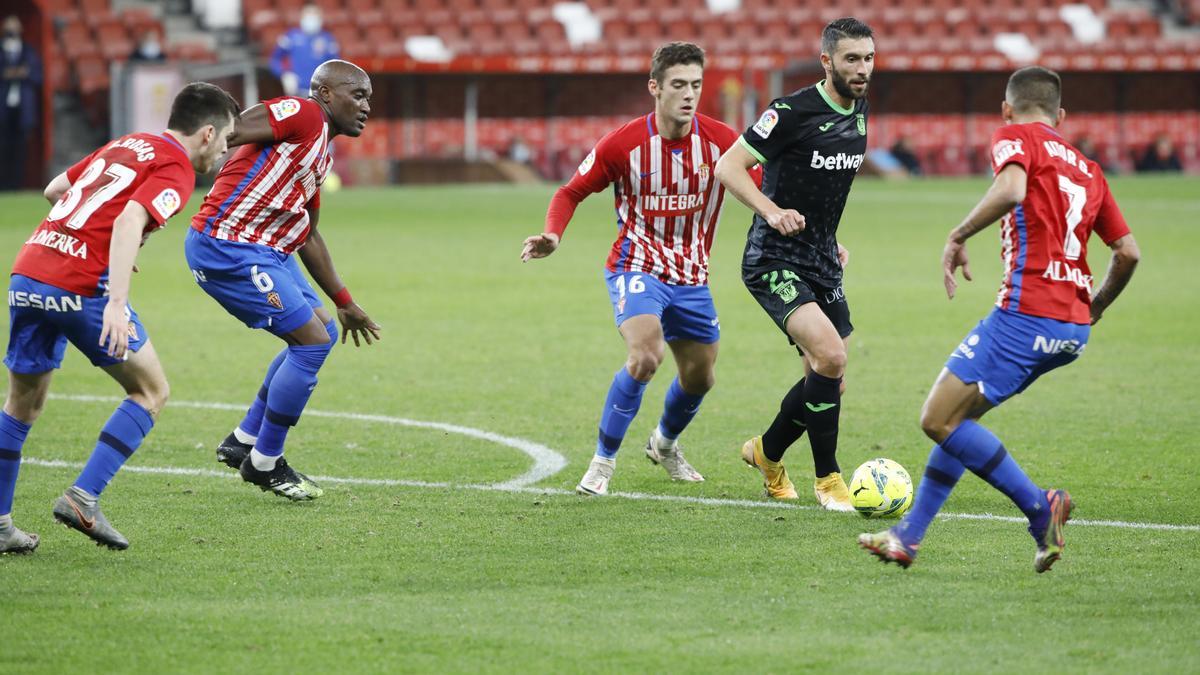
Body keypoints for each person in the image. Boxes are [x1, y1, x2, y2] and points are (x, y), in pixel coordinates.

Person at [859, 66, 1140, 572]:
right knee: (957, 422)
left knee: (936, 419)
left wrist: (958, 234)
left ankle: (1041, 508)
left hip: (1027, 313)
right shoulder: (1088, 168)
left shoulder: (1015, 137)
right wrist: (1094, 306)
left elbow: (1011, 190)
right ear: (1062, 116)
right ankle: (909, 537)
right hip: (1070, 327)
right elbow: (1128, 253)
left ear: (1007, 109)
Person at [0, 82, 238, 552]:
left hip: (28, 272)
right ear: (207, 133)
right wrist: (114, 300)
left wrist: (92, 240)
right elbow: (130, 219)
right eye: (228, 140)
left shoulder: (128, 142)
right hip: (82, 286)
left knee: (21, 405)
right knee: (151, 390)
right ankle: (82, 498)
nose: (226, 151)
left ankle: (0, 524)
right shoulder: (176, 167)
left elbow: (55, 190)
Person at [520, 42, 753, 495]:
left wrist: (813, 234)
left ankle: (664, 443)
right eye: (679, 85)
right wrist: (553, 234)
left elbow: (766, 192)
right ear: (655, 87)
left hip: (692, 276)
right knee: (646, 355)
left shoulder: (724, 144)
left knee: (701, 377)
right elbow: (570, 192)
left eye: (696, 85)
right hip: (636, 265)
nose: (689, 95)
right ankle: (602, 462)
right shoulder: (625, 143)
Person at [188, 60, 380, 501]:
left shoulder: (319, 153)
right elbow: (227, 131)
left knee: (322, 332)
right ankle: (265, 462)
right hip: (227, 244)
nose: (367, 106)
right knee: (310, 342)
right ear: (327, 94)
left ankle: (244, 439)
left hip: (266, 249)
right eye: (359, 95)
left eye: (369, 97)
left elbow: (307, 233)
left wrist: (345, 300)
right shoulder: (304, 113)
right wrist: (160, 188)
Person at [714, 18, 873, 510]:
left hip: (821, 257)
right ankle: (829, 480)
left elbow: (821, 186)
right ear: (827, 62)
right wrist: (771, 211)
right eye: (851, 58)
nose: (862, 68)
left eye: (868, 57)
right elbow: (727, 166)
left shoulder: (860, 109)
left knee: (828, 378)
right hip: (773, 258)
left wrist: (832, 238)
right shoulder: (789, 111)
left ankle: (767, 453)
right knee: (832, 358)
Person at [0, 15, 43, 191]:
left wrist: (19, 74)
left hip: (23, 109)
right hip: (3, 108)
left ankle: (16, 185)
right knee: (3, 148)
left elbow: (37, 76)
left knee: (20, 149)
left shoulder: (29, 51)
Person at [270, 3, 340, 97]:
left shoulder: (328, 39)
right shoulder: (291, 36)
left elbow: (335, 65)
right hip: (297, 91)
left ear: (320, 18)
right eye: (308, 16)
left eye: (315, 16)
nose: (311, 20)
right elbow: (275, 59)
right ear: (302, 17)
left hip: (320, 93)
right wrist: (284, 74)